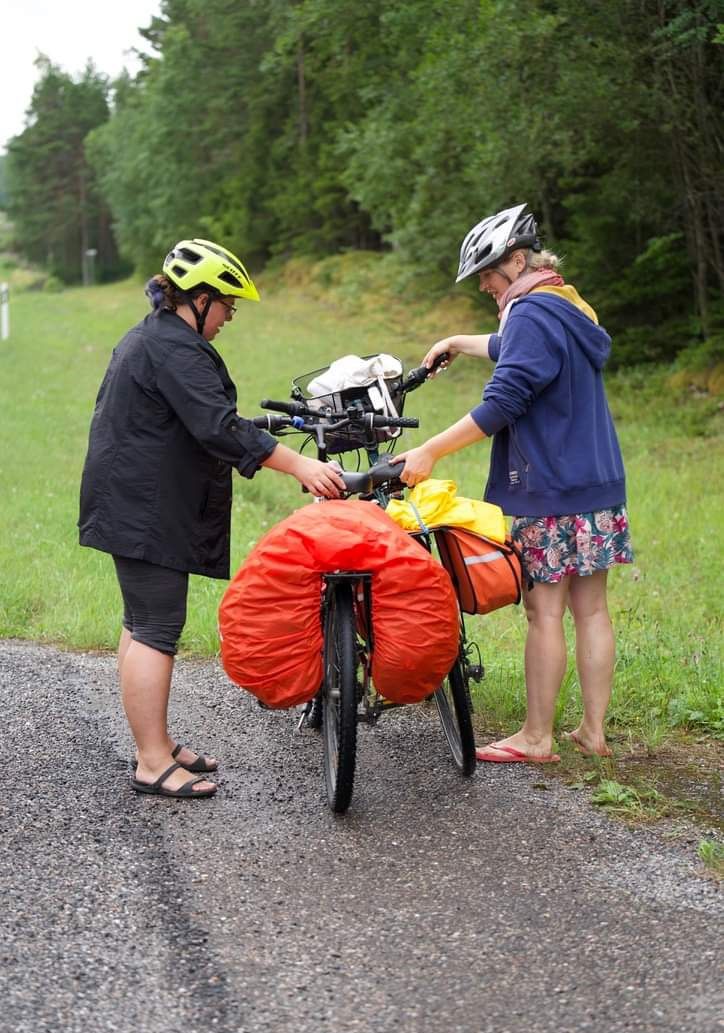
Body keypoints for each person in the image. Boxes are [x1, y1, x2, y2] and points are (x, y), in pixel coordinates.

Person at [79, 238, 344, 799]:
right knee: (156, 628)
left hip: (135, 497)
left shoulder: (160, 338)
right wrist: (298, 464)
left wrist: (267, 433)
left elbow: (204, 417)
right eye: (226, 304)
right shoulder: (172, 347)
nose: (229, 317)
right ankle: (151, 760)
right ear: (199, 299)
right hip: (144, 505)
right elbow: (215, 426)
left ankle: (155, 742)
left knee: (141, 621)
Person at [392, 203, 633, 764]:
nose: (483, 286)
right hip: (597, 486)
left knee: (544, 613)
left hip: (548, 490)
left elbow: (503, 401)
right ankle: (593, 733)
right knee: (592, 611)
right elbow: (512, 348)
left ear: (517, 261)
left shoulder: (527, 315)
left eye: (488, 275)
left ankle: (536, 737)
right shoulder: (567, 307)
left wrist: (429, 449)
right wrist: (458, 340)